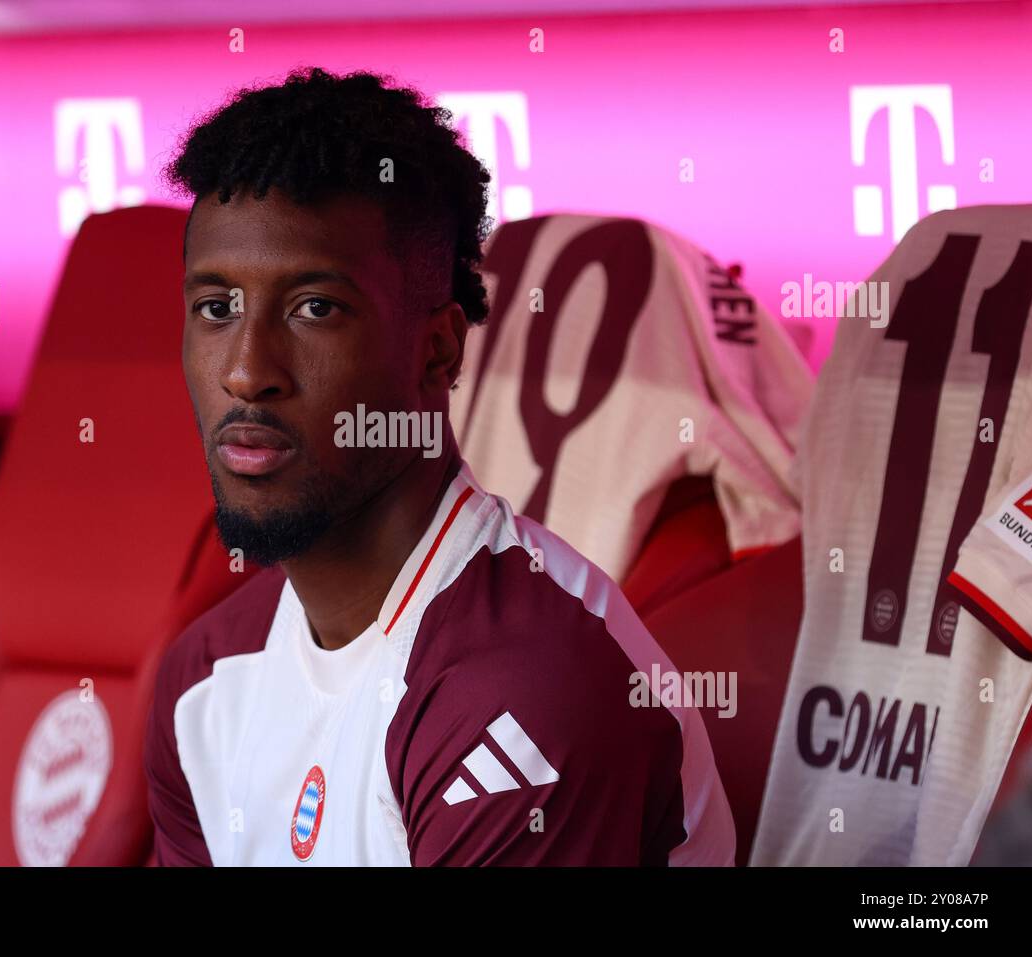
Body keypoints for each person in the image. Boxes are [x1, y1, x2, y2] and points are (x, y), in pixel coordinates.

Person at [143, 65, 734, 866]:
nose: (247, 370)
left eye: (315, 307)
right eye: (217, 308)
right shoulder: (203, 682)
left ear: (438, 351)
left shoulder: (523, 695)